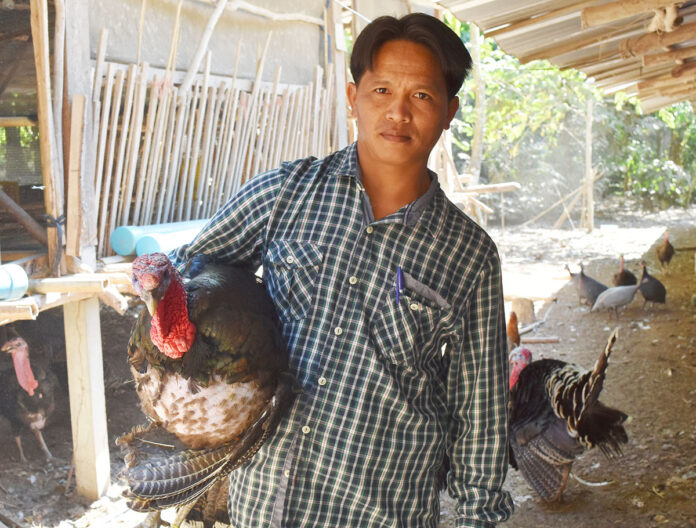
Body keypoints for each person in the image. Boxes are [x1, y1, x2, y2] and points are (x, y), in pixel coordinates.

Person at [172, 12, 513, 528]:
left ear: (449, 111)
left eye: (421, 95)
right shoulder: (286, 195)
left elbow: (481, 417)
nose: (398, 111)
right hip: (259, 505)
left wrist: (476, 517)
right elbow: (189, 275)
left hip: (380, 512)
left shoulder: (469, 256)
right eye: (381, 89)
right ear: (353, 97)